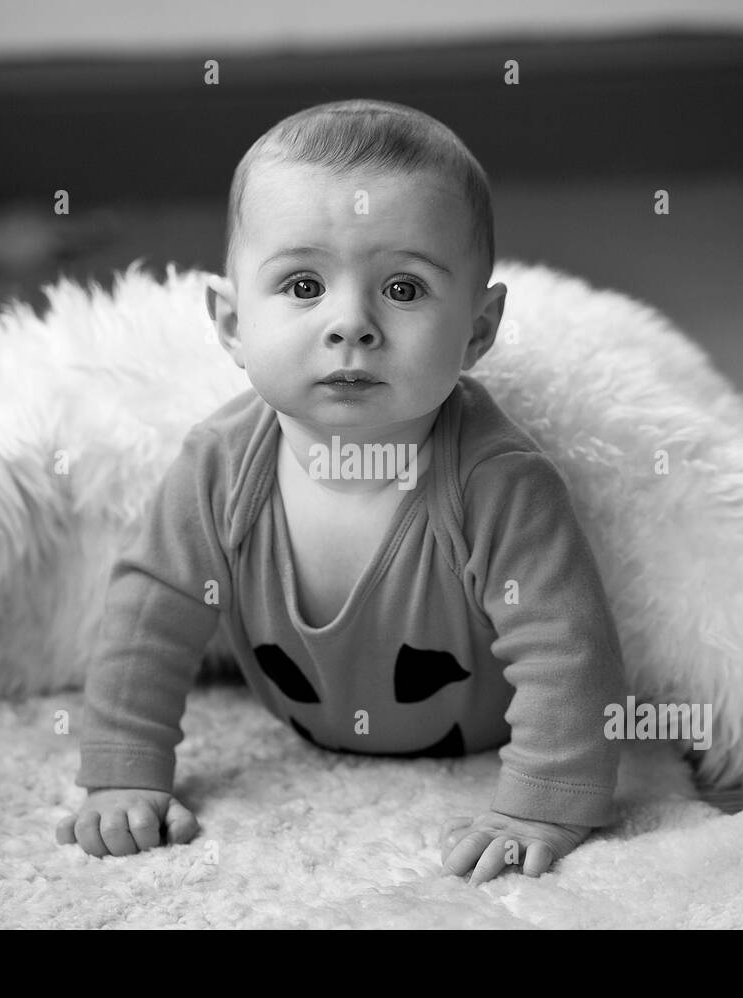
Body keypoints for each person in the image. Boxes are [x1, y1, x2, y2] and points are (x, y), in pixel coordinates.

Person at [57, 98, 627, 885]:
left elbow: (568, 647)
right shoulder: (220, 466)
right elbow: (151, 611)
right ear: (230, 323)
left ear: (478, 330)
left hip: (477, 735)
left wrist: (544, 803)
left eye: (402, 289)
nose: (351, 324)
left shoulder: (496, 482)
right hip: (303, 708)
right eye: (301, 285)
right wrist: (123, 768)